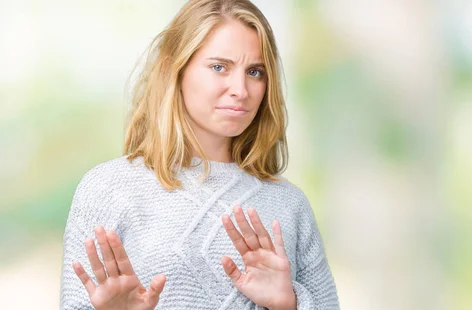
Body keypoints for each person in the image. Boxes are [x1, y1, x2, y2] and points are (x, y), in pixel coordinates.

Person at [59, 0, 339, 309]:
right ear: (175, 68)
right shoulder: (108, 189)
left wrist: (288, 305)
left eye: (255, 72)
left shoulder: (289, 205)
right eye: (220, 67)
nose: (241, 90)